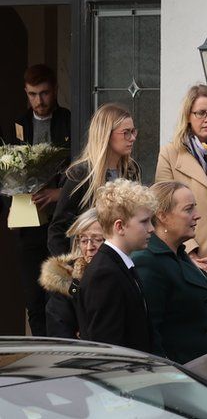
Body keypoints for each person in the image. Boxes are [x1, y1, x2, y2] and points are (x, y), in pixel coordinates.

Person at [10, 64, 71, 336]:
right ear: (26, 92)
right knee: (34, 299)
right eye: (33, 94)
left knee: (58, 297)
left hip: (60, 223)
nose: (39, 101)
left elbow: (82, 168)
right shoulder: (18, 125)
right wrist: (13, 206)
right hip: (28, 227)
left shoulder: (70, 120)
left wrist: (61, 194)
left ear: (55, 90)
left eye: (44, 93)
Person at [132, 181, 207, 364]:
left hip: (199, 370)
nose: (197, 216)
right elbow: (149, 332)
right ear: (163, 216)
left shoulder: (179, 255)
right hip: (177, 375)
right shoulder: (149, 261)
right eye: (188, 210)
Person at [48, 103, 140, 257]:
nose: (133, 138)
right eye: (126, 133)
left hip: (126, 260)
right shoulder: (80, 174)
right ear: (106, 134)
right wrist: (72, 268)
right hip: (92, 263)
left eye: (133, 131)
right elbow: (57, 229)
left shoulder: (132, 170)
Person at [155, 84, 207, 273]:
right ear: (189, 116)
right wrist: (189, 251)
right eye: (201, 113)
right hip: (189, 255)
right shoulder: (170, 154)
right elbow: (162, 208)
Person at [79, 179, 156, 352]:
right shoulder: (104, 274)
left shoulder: (119, 264)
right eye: (144, 221)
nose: (151, 228)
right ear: (120, 226)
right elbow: (107, 345)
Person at [38, 209, 102, 339]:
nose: (89, 247)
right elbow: (60, 336)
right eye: (83, 240)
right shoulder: (67, 282)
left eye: (98, 239)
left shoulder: (124, 272)